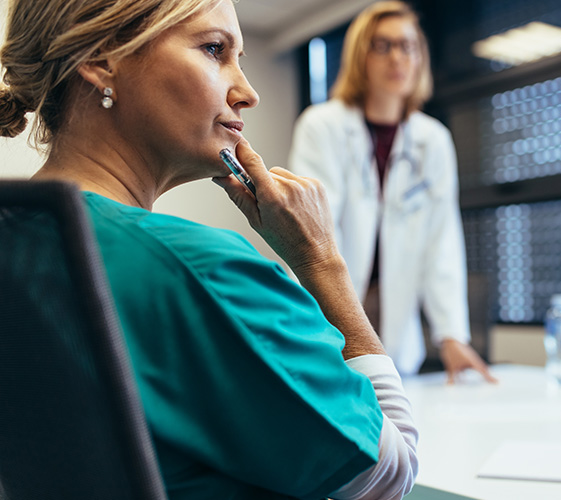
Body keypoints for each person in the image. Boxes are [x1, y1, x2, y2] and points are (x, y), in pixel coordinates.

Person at [0, 0, 418, 498]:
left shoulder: (16, 239)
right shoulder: (201, 270)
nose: (248, 93)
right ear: (101, 59)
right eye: (215, 50)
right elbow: (391, 472)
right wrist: (321, 260)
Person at [288, 1, 495, 382]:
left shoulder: (432, 140)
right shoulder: (322, 127)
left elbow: (441, 240)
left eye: (408, 46)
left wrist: (451, 335)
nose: (397, 57)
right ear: (359, 55)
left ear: (420, 58)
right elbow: (312, 226)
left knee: (403, 420)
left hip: (398, 317)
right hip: (337, 300)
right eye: (382, 45)